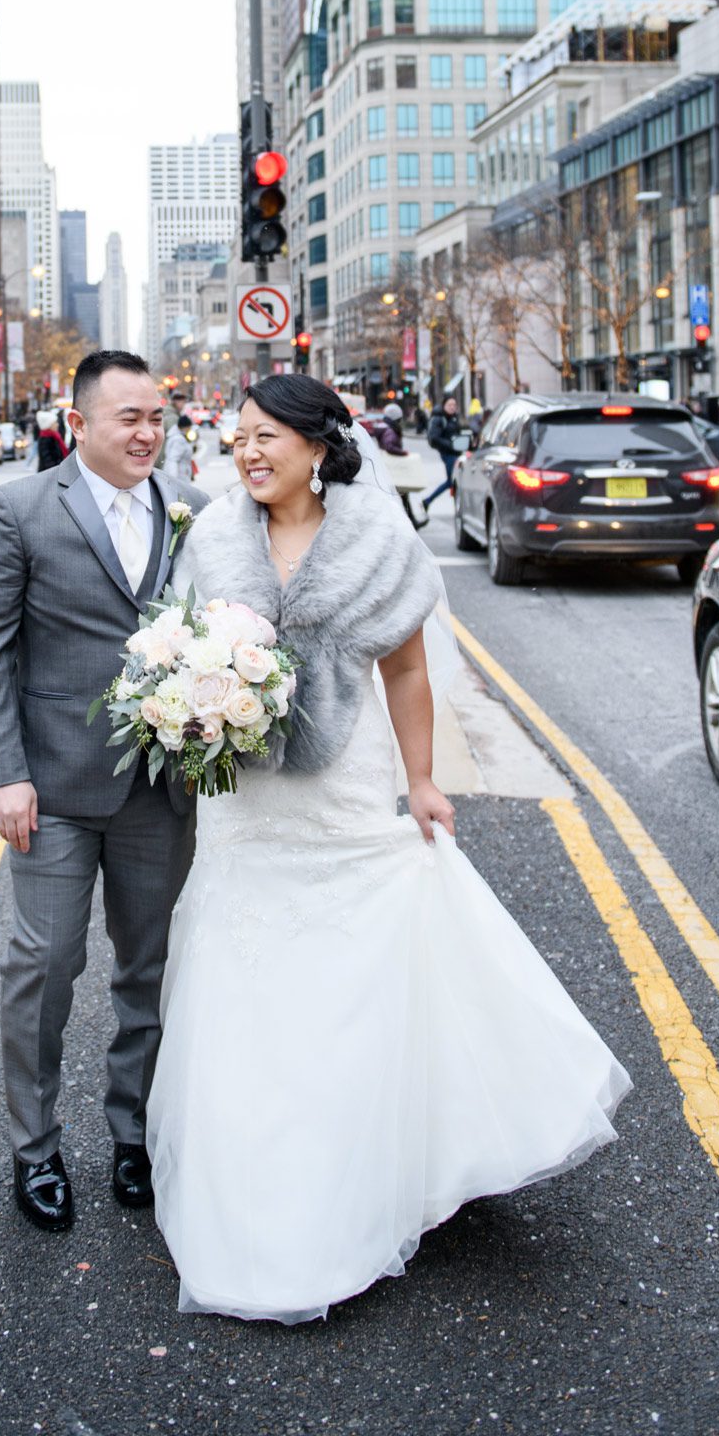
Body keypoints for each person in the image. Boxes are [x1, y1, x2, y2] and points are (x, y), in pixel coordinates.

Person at [147, 375, 631, 1322]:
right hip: (244, 804)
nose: (247, 453)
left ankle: (362, 1168)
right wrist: (188, 707)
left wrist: (421, 779)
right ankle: (251, 1183)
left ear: (319, 447)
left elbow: (405, 667)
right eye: (237, 438)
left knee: (349, 978)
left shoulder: (377, 536)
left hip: (344, 785)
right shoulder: (208, 538)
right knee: (246, 986)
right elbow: (173, 649)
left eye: (266, 438)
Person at [0, 351, 210, 1234]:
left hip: (160, 786)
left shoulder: (195, 511)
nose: (147, 434)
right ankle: (36, 1152)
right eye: (127, 419)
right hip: (53, 788)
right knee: (44, 966)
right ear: (80, 425)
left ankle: (133, 1135)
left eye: (157, 418)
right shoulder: (20, 508)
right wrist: (3, 774)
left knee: (149, 969)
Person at [417, 395, 464, 518]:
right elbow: (434, 437)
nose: (452, 407)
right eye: (450, 405)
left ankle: (428, 501)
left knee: (452, 481)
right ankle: (428, 501)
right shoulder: (439, 418)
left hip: (455, 453)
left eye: (454, 405)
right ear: (444, 406)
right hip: (448, 454)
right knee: (452, 481)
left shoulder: (453, 418)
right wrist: (451, 445)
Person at [162, 413, 196, 482]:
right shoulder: (178, 440)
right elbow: (173, 460)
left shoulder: (178, 437)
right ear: (185, 427)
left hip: (181, 475)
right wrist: (173, 480)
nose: (190, 429)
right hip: (180, 476)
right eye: (189, 427)